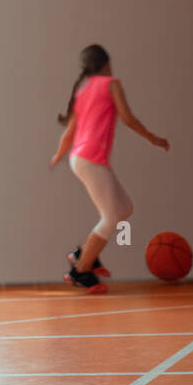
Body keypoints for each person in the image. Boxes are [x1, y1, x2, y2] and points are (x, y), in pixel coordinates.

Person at [50, 43, 169, 291]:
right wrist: (153, 138)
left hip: (81, 159)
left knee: (125, 208)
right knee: (111, 216)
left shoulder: (82, 90)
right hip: (90, 159)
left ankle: (83, 254)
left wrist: (58, 155)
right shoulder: (111, 83)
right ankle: (81, 272)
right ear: (106, 64)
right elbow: (127, 118)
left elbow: (70, 132)